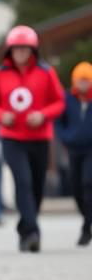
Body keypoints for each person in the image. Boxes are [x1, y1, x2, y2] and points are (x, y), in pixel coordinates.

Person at [0, 25, 65, 252]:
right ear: (10, 51)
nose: (20, 53)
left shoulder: (46, 72)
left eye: (25, 49)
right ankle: (33, 232)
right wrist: (1, 116)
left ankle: (25, 228)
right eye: (16, 49)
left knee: (37, 185)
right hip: (12, 138)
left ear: (33, 50)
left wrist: (43, 115)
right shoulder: (0, 74)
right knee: (23, 181)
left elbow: (59, 102)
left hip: (39, 137)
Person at [55, 61, 92, 246]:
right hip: (73, 149)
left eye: (86, 80)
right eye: (80, 80)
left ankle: (86, 227)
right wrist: (66, 137)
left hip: (90, 150)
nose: (83, 84)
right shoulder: (67, 99)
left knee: (87, 183)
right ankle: (87, 216)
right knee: (76, 188)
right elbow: (59, 122)